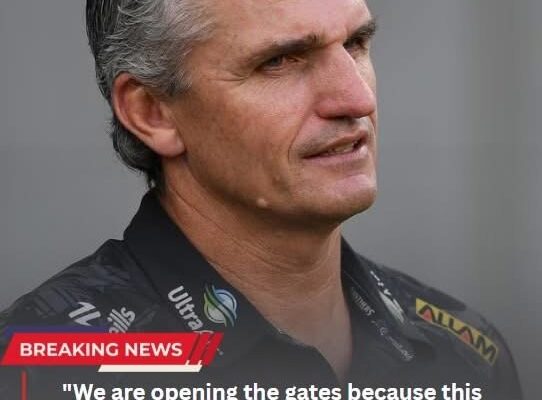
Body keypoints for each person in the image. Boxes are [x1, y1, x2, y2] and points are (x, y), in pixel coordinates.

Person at [0, 0, 523, 398]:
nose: (357, 98)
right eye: (280, 61)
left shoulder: (467, 355)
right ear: (152, 112)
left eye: (356, 43)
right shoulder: (43, 369)